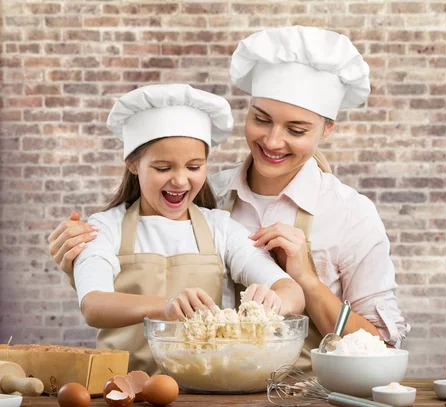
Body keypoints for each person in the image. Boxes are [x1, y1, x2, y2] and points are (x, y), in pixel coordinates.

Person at [48, 26, 410, 370]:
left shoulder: (350, 214)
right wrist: (78, 264)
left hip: (307, 394)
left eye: (296, 129)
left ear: (327, 129)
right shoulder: (208, 197)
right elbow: (111, 289)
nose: (271, 141)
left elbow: (378, 347)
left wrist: (307, 283)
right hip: (212, 386)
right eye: (261, 119)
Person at [69, 83, 305, 373]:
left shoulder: (220, 228)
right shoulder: (105, 227)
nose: (180, 181)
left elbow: (293, 292)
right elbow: (93, 305)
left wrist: (274, 299)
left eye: (194, 167)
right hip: (124, 391)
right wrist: (164, 308)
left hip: (201, 391)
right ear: (133, 163)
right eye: (163, 168)